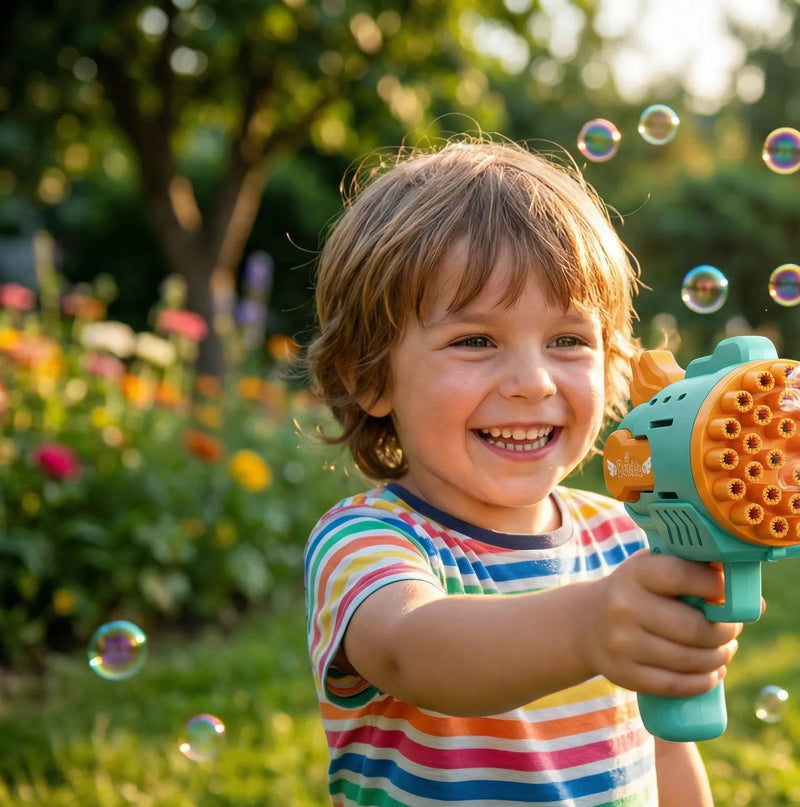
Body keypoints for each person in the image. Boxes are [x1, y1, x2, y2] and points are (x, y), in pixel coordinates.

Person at [303, 137, 743, 806]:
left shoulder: (626, 534)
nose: (532, 382)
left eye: (568, 340)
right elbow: (411, 650)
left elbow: (664, 748)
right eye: (475, 340)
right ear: (367, 375)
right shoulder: (367, 541)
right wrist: (589, 626)